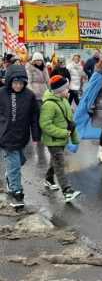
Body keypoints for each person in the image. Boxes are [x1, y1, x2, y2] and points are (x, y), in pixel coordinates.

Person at [0, 65, 40, 208]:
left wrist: (35, 136)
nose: (18, 85)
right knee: (15, 164)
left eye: (21, 83)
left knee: (20, 160)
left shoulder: (29, 96)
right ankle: (16, 191)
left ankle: (10, 175)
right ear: (10, 81)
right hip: (5, 136)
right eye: (15, 82)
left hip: (22, 137)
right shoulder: (2, 93)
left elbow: (35, 117)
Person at [39, 75, 81, 203]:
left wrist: (74, 138)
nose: (68, 90)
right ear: (58, 91)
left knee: (55, 161)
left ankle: (49, 178)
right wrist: (63, 133)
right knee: (60, 163)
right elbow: (45, 124)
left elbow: (70, 121)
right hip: (53, 140)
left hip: (62, 139)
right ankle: (67, 191)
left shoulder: (63, 100)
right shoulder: (49, 105)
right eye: (66, 88)